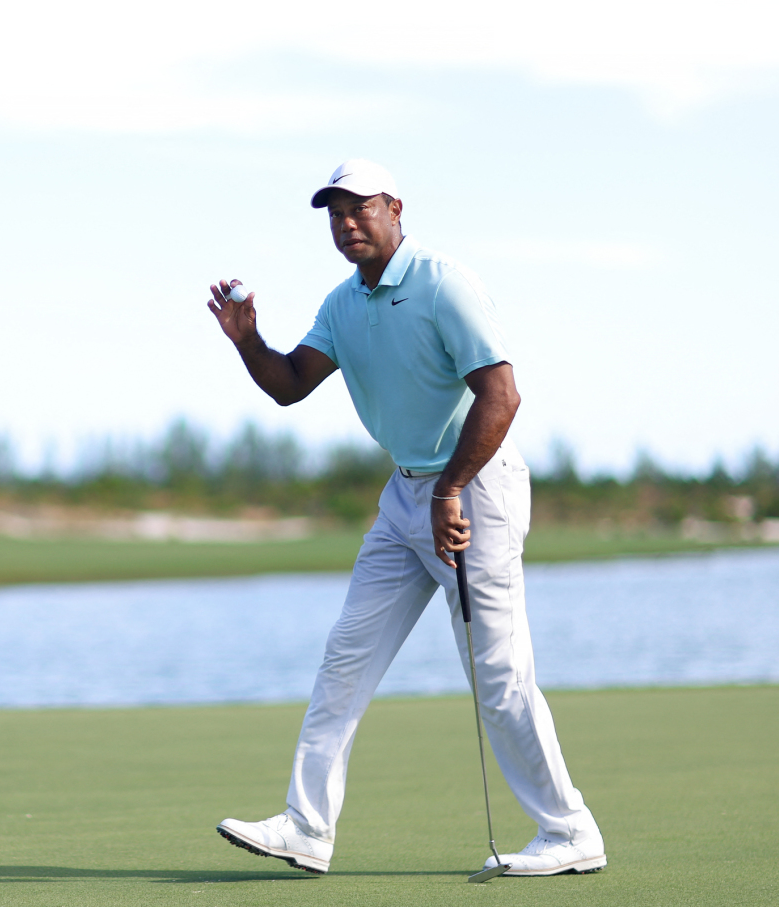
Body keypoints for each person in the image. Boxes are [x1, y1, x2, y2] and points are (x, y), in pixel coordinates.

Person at [207, 159, 606, 877]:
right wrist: (249, 342)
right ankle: (307, 827)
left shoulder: (443, 282)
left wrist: (451, 489)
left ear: (394, 207)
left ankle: (570, 830)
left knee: (498, 674)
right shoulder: (341, 304)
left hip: (475, 488)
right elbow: (291, 385)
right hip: (405, 497)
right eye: (335, 214)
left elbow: (502, 396)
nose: (346, 223)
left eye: (359, 208)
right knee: (346, 657)